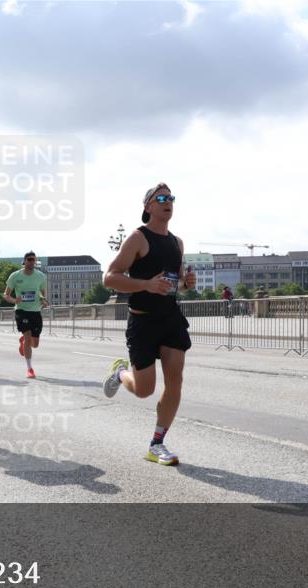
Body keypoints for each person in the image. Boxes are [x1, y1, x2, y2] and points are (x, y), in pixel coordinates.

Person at [102, 183, 196, 466]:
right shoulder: (137, 238)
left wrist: (186, 284)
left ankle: (157, 443)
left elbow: (175, 282)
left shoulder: (177, 242)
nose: (168, 203)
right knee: (144, 390)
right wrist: (145, 284)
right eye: (162, 198)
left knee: (175, 380)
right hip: (142, 320)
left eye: (171, 198)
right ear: (148, 207)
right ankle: (121, 374)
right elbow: (109, 277)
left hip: (170, 318)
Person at [4, 251, 49, 378]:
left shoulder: (40, 276)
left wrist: (43, 300)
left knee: (35, 344)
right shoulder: (15, 276)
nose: (32, 262)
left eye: (34, 260)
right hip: (21, 310)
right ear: (24, 261)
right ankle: (30, 369)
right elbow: (6, 295)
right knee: (28, 336)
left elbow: (42, 293)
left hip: (35, 311)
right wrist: (14, 300)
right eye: (29, 259)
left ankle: (24, 341)